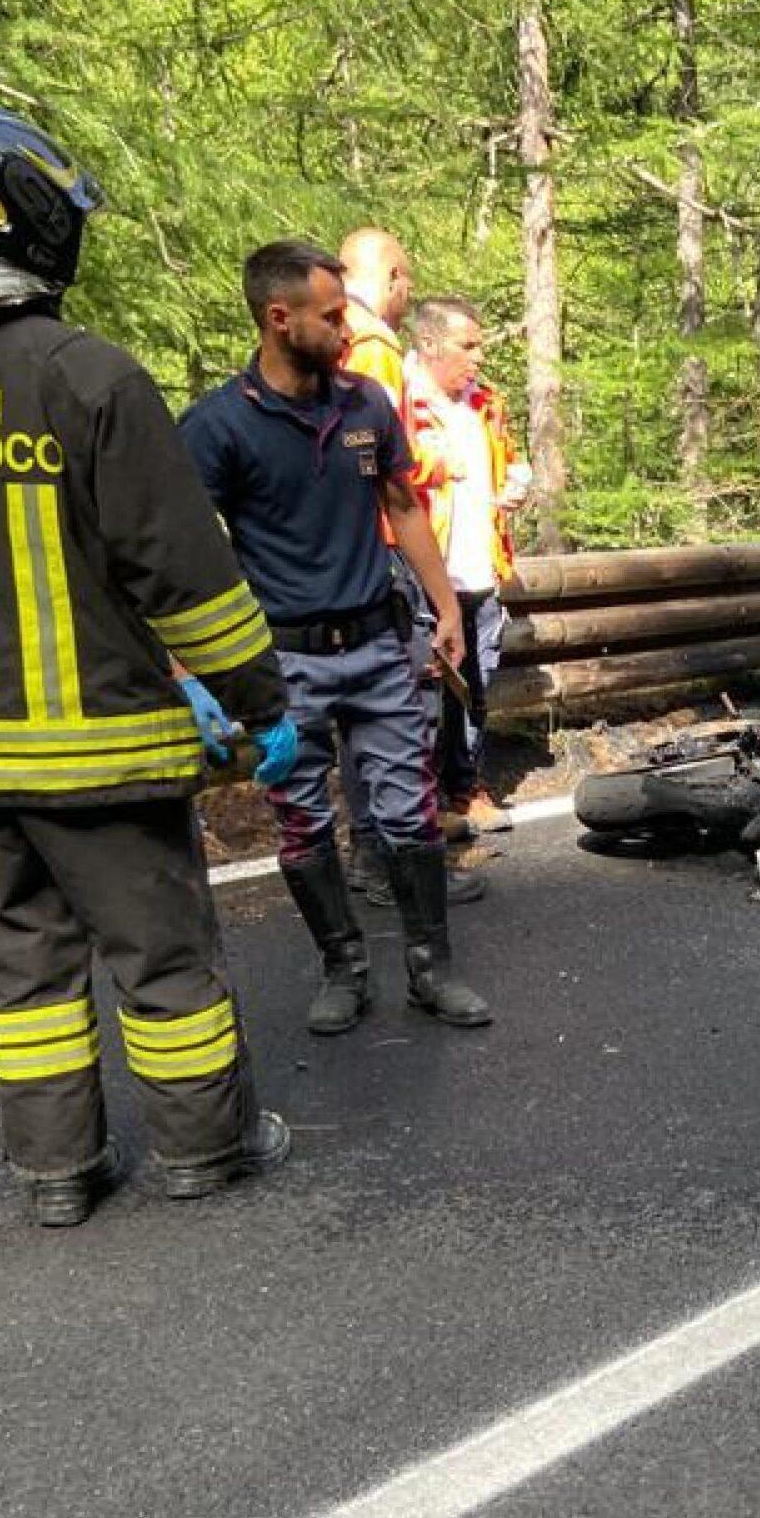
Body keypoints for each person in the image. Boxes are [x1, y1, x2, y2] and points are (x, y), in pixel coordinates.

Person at [0, 107, 296, 1227]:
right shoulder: (88, 377)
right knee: (162, 959)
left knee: (23, 972)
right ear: (37, 227)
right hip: (105, 754)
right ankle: (204, 1148)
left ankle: (56, 1174)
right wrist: (260, 701)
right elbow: (179, 571)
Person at [180, 240, 494, 1035]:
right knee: (304, 821)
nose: (346, 328)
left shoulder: (364, 404)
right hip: (286, 662)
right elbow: (183, 551)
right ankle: (343, 969)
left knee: (409, 817)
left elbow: (403, 504)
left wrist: (445, 606)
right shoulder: (217, 427)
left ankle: (431, 971)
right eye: (330, 316)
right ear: (279, 320)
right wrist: (192, 667)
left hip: (382, 647)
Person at [333, 227, 484, 898]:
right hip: (380, 551)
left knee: (371, 705)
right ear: (391, 275)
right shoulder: (372, 349)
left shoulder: (334, 342)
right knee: (405, 707)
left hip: (346, 553)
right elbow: (383, 469)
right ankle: (404, 861)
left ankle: (376, 855)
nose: (408, 294)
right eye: (407, 280)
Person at [405, 294, 531, 831]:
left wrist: (517, 482)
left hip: (480, 568)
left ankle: (465, 788)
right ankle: (422, 802)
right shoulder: (397, 400)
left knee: (476, 686)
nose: (478, 357)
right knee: (427, 692)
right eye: (468, 345)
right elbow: (389, 480)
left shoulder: (486, 402)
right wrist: (433, 466)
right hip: (425, 574)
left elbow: (510, 456)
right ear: (430, 343)